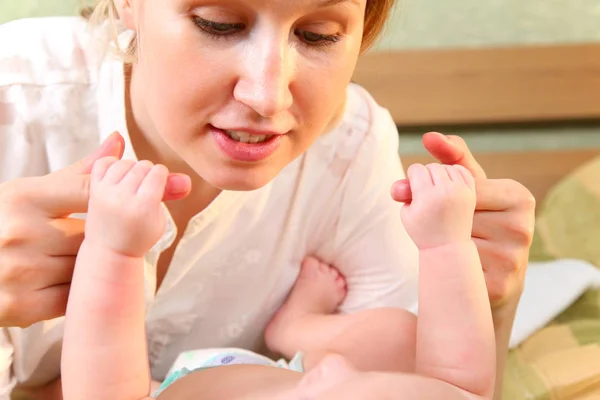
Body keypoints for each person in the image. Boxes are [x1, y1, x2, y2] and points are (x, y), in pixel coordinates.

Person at [0, 0, 535, 398]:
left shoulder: (349, 149)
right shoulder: (14, 101)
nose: (267, 95)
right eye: (219, 24)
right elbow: (452, 384)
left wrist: (496, 297)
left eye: (319, 35)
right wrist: (467, 280)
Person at [61, 157, 495, 400]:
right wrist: (447, 245)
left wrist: (113, 246)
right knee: (401, 337)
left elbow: (103, 384)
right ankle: (296, 328)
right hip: (280, 372)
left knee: (85, 383)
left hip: (178, 391)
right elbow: (459, 383)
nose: (337, 367)